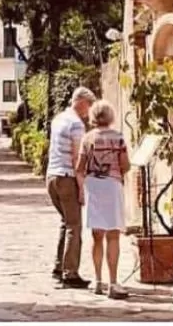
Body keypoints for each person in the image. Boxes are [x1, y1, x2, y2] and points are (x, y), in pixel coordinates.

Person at [76, 99, 131, 299]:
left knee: (97, 235)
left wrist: (83, 187)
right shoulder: (118, 138)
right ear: (111, 116)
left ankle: (98, 280)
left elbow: (79, 167)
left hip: (94, 186)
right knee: (113, 235)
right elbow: (125, 165)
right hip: (112, 185)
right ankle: (113, 282)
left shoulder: (87, 138)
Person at [46, 85, 95, 289]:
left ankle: (59, 267)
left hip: (52, 176)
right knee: (74, 226)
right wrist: (82, 187)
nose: (89, 111)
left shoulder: (58, 119)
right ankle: (70, 272)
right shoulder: (76, 125)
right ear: (82, 102)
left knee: (65, 222)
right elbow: (77, 158)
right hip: (67, 178)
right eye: (89, 105)